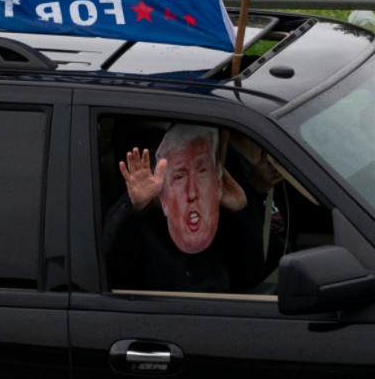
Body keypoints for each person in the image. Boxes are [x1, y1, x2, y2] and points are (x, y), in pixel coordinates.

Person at [102, 123, 266, 294]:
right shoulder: (138, 227)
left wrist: (242, 210)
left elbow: (250, 275)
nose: (192, 191)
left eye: (202, 171)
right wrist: (135, 209)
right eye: (180, 176)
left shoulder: (212, 218)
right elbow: (114, 257)